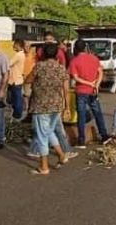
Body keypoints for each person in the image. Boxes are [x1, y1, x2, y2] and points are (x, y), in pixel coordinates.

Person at [27, 43, 70, 175]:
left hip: (41, 106)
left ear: (43, 54)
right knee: (49, 131)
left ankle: (44, 166)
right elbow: (66, 90)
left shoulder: (39, 67)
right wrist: (67, 107)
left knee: (41, 136)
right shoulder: (61, 69)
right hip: (57, 105)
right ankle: (61, 155)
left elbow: (28, 80)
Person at [69, 39, 109, 148]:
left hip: (81, 91)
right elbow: (100, 72)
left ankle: (81, 140)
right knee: (97, 113)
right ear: (85, 48)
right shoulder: (94, 58)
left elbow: (76, 78)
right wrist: (96, 84)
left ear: (76, 48)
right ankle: (104, 135)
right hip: (93, 92)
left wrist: (88, 83)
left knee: (81, 116)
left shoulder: (74, 61)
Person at [8, 39, 26, 121]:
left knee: (16, 99)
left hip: (15, 80)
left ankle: (17, 115)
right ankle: (16, 114)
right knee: (15, 98)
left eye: (15, 44)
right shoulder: (21, 54)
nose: (13, 46)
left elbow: (9, 63)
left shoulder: (18, 55)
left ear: (19, 45)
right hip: (16, 79)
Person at [22, 43, 36, 118]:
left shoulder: (33, 55)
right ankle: (27, 107)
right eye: (25, 46)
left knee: (29, 93)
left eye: (27, 46)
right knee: (25, 94)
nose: (26, 48)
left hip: (30, 76)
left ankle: (29, 108)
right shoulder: (21, 55)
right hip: (23, 76)